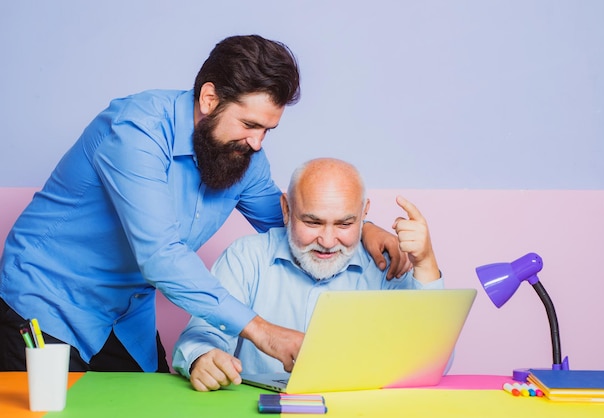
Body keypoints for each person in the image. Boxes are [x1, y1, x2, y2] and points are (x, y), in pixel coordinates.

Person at [0, 35, 409, 373]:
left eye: (268, 129)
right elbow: (160, 256)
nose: (258, 143)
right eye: (249, 124)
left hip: (124, 319)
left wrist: (363, 230)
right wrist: (262, 331)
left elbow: (291, 223)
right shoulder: (136, 130)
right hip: (44, 305)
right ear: (209, 99)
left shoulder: (246, 157)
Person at [173, 157, 444, 392]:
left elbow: (432, 362)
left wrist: (426, 263)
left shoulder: (389, 263)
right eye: (313, 222)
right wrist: (202, 357)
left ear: (364, 214)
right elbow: (201, 334)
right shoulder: (246, 258)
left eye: (345, 223)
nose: (327, 241)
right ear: (286, 210)